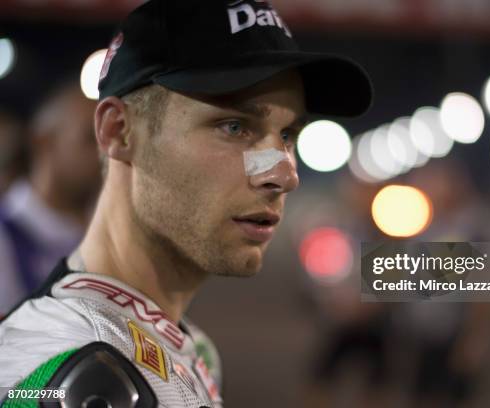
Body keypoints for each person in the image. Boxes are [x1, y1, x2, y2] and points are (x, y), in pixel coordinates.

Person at [0, 1, 372, 407]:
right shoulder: (69, 368)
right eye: (235, 127)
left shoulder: (191, 349)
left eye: (287, 136)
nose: (284, 174)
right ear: (118, 132)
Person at [0, 85, 101, 316]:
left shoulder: (105, 238)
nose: (103, 153)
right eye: (88, 138)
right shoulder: (5, 236)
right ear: (43, 141)